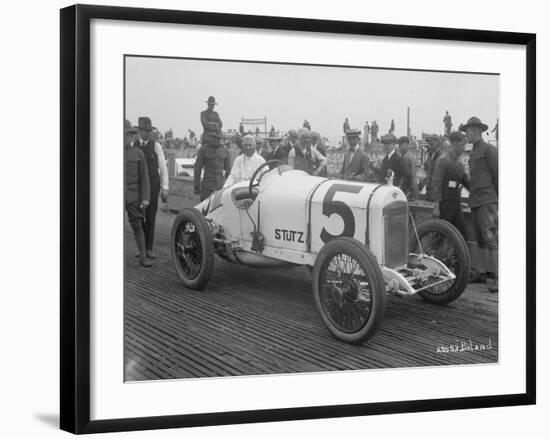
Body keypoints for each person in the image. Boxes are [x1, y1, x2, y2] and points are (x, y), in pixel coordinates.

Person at [460, 116, 499, 292]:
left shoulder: (489, 150)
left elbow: (498, 176)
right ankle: (482, 272)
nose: (466, 135)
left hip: (488, 201)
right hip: (475, 201)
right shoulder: (474, 151)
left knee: (491, 238)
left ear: (476, 131)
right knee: (480, 239)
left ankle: (498, 276)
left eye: (467, 131)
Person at [134, 117, 169, 259]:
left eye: (149, 131)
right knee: (138, 217)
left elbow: (163, 168)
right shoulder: (133, 145)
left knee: (151, 217)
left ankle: (149, 248)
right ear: (139, 131)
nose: (147, 134)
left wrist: (165, 187)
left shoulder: (156, 146)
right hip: (138, 187)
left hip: (153, 186)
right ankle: (141, 248)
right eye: (144, 131)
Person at [431, 131, 470, 240]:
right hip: (444, 205)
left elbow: (466, 182)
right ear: (455, 143)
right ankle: (436, 256)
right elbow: (437, 183)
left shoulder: (459, 163)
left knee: (461, 236)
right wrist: (436, 207)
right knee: (442, 236)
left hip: (456, 204)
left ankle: (460, 257)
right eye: (462, 145)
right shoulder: (443, 160)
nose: (464, 148)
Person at [125, 120, 152, 268]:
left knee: (137, 225)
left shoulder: (138, 153)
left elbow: (145, 178)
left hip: (134, 196)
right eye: (126, 134)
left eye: (130, 134)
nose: (129, 137)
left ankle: (143, 257)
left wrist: (146, 198)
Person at [194, 130, 231, 201]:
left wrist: (227, 187)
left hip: (220, 187)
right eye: (214, 137)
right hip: (207, 187)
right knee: (204, 209)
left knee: (219, 210)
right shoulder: (203, 150)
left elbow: (228, 171)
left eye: (218, 138)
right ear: (211, 138)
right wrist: (196, 186)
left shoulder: (225, 151)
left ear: (220, 139)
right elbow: (197, 169)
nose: (216, 140)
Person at [398, 136, 419, 200]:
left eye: (401, 145)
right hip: (412, 189)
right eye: (399, 145)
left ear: (407, 145)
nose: (399, 147)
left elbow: (406, 177)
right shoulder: (411, 156)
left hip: (407, 191)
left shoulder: (405, 158)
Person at [423, 135, 442, 201]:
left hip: (436, 192)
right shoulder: (430, 155)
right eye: (429, 144)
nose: (430, 146)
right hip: (429, 190)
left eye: (432, 144)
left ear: (438, 144)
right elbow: (426, 171)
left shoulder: (441, 157)